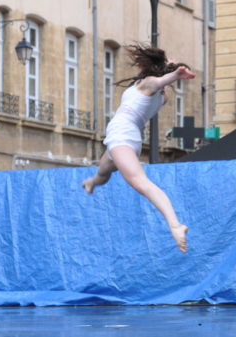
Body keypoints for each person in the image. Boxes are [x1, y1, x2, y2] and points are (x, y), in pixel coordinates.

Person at [81, 44, 195, 253]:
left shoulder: (148, 83)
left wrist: (175, 74)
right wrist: (171, 70)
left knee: (141, 182)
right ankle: (91, 183)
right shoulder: (162, 97)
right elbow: (162, 83)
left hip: (122, 135)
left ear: (148, 67)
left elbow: (159, 81)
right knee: (103, 171)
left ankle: (175, 225)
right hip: (129, 138)